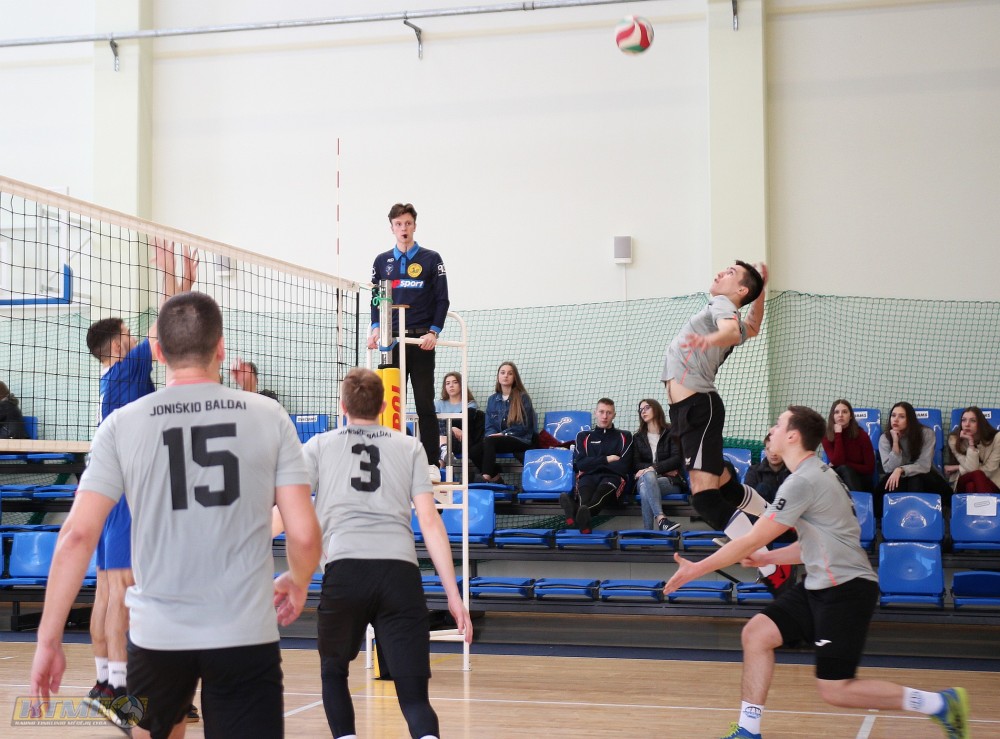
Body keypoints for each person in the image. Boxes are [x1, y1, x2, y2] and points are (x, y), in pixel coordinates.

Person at [31, 291, 323, 739]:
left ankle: (108, 678)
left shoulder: (121, 423)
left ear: (159, 352)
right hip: (245, 629)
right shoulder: (270, 415)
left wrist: (48, 639)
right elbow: (303, 534)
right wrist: (298, 581)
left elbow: (75, 537)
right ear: (220, 347)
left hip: (157, 635)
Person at [664, 406, 970, 739]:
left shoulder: (803, 482)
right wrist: (769, 557)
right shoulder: (816, 475)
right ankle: (748, 730)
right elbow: (812, 545)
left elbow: (751, 538)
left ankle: (939, 703)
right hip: (820, 584)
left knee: (836, 690)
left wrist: (697, 568)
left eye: (779, 424)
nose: (772, 430)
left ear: (793, 436)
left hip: (845, 590)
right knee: (757, 634)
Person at [287, 367, 472, 739]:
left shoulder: (319, 446)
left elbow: (289, 512)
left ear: (342, 406)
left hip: (345, 570)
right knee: (415, 697)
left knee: (333, 673)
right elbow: (430, 523)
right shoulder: (409, 446)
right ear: (385, 407)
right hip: (399, 573)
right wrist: (455, 597)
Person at [81, 239, 198, 725]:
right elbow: (164, 327)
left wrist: (182, 284)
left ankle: (105, 683)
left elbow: (170, 325)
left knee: (108, 589)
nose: (134, 339)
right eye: (128, 335)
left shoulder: (112, 382)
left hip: (109, 486)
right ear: (116, 345)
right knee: (123, 590)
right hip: (129, 488)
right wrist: (170, 278)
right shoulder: (126, 369)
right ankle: (121, 690)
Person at [660, 260, 790, 594]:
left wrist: (710, 339)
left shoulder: (721, 305)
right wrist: (761, 290)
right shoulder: (727, 307)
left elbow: (731, 331)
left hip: (697, 410)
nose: (721, 273)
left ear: (740, 290)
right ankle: (780, 525)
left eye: (730, 273)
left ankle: (773, 567)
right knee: (725, 486)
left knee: (705, 500)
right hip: (690, 412)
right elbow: (753, 326)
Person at [367, 202, 449, 483]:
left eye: (408, 223)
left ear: (415, 226)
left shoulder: (431, 258)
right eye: (398, 224)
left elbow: (442, 299)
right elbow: (376, 300)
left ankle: (431, 462)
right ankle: (391, 460)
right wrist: (376, 329)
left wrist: (433, 332)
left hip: (421, 341)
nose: (403, 229)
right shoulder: (381, 261)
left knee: (425, 403)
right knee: (390, 403)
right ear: (392, 227)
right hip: (392, 342)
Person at [561, 398, 633, 534]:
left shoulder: (624, 436)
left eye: (609, 413)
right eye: (601, 412)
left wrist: (593, 463)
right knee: (584, 502)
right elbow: (581, 464)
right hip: (588, 476)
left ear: (614, 415)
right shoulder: (583, 436)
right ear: (595, 413)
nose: (605, 416)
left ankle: (572, 513)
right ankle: (585, 527)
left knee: (598, 498)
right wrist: (608, 459)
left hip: (612, 477)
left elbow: (623, 466)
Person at [875, 402, 953, 517]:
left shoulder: (927, 433)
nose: (895, 419)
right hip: (897, 477)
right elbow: (889, 468)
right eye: (893, 415)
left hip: (925, 476)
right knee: (894, 485)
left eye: (901, 416)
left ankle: (918, 519)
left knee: (915, 480)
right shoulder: (885, 438)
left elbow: (924, 465)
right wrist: (895, 443)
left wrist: (901, 470)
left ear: (910, 419)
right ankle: (898, 520)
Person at [468, 362, 536, 484]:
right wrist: (492, 435)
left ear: (515, 377)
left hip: (519, 439)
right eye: (502, 373)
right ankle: (496, 479)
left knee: (490, 441)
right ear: (498, 376)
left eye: (510, 373)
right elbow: (489, 425)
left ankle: (486, 477)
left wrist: (503, 434)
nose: (506, 376)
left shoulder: (523, 397)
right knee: (474, 451)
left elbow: (524, 427)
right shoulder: (492, 400)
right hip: (497, 440)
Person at [631, 398, 685, 532]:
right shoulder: (637, 437)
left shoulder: (671, 431)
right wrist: (656, 470)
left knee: (645, 488)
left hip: (670, 481)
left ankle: (648, 533)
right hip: (646, 478)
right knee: (648, 477)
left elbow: (677, 459)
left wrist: (654, 468)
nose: (643, 411)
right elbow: (636, 464)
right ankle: (661, 519)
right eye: (641, 410)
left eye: (647, 408)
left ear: (656, 409)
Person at [821, 399, 875, 493]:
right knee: (843, 469)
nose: (840, 415)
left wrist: (845, 463)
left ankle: (857, 500)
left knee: (845, 468)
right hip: (838, 478)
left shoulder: (862, 436)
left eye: (844, 412)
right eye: (836, 412)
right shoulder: (827, 436)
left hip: (861, 478)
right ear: (832, 416)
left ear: (850, 416)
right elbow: (838, 461)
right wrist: (838, 434)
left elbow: (870, 468)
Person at [946, 406, 1000, 494]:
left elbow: (990, 469)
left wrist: (959, 467)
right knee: (976, 475)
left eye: (973, 421)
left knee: (971, 486)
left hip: (991, 480)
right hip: (964, 478)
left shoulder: (997, 438)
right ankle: (986, 502)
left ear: (981, 424)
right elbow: (972, 468)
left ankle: (980, 503)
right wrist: (971, 442)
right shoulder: (954, 440)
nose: (967, 424)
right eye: (964, 420)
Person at [434, 371, 482, 462]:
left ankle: (444, 452)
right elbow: (433, 425)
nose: (451, 386)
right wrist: (452, 428)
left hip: (459, 441)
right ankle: (444, 453)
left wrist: (450, 428)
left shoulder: (470, 404)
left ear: (461, 384)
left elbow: (465, 425)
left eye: (455, 382)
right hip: (440, 439)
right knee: (435, 428)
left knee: (439, 440)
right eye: (448, 383)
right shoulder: (438, 404)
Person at [744, 432, 791, 503]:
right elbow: (748, 499)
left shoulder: (792, 471)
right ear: (765, 451)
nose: (773, 454)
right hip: (760, 509)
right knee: (762, 488)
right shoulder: (754, 471)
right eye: (769, 449)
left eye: (777, 449)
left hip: (787, 508)